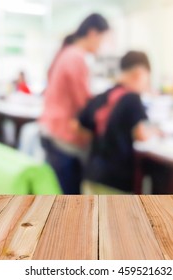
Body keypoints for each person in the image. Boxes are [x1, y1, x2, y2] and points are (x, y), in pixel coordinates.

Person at [40, 13, 110, 194]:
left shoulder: (66, 53)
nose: (102, 45)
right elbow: (83, 103)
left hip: (53, 131)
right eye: (102, 39)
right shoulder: (76, 57)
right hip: (64, 138)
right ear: (93, 33)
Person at [77, 51, 156, 194]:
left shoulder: (102, 96)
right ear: (139, 73)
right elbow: (142, 134)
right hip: (115, 182)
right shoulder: (132, 99)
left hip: (91, 176)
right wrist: (156, 130)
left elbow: (81, 125)